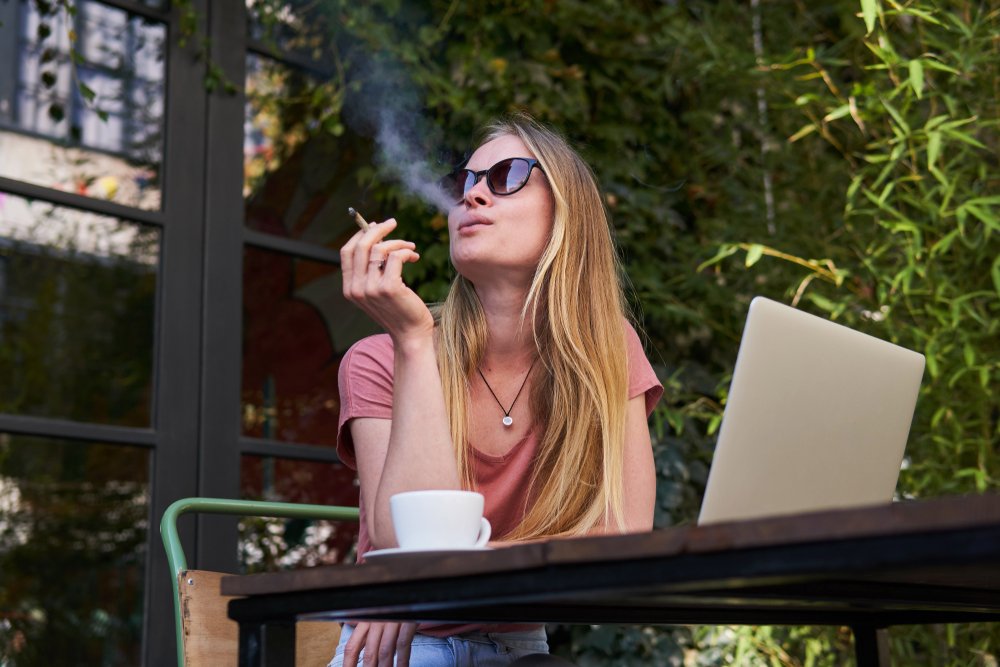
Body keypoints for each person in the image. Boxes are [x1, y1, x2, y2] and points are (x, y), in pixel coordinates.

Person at [331, 113, 663, 667]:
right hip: (404, 651)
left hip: (522, 652)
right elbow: (406, 543)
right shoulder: (380, 358)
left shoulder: (608, 351)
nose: (475, 194)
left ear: (566, 212)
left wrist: (450, 566)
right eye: (467, 181)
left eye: (505, 175)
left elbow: (623, 543)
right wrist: (414, 343)